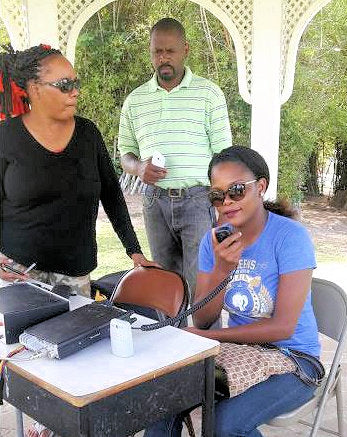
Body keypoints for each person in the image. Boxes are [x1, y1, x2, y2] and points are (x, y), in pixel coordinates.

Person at [0, 44, 156, 437]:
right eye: (64, 84)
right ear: (33, 90)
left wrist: (134, 251)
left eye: (76, 82)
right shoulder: (5, 138)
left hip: (75, 277)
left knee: (73, 372)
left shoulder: (87, 134)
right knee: (27, 372)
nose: (75, 91)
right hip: (16, 278)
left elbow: (112, 194)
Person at [144, 145, 321, 437]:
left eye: (237, 190)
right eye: (217, 195)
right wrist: (222, 270)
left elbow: (283, 327)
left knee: (224, 424)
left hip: (295, 361)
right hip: (241, 354)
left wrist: (210, 338)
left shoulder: (290, 237)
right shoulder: (212, 242)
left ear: (260, 187)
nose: (226, 201)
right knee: (162, 399)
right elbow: (201, 318)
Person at [118, 18, 232, 299]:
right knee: (166, 289)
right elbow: (125, 155)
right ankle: (171, 341)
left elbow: (224, 159)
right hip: (154, 202)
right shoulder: (136, 100)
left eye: (170, 51)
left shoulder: (209, 94)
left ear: (185, 50)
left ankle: (209, 342)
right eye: (157, 51)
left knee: (202, 287)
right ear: (151, 53)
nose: (163, 58)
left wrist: (222, 207)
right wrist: (139, 167)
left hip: (198, 201)